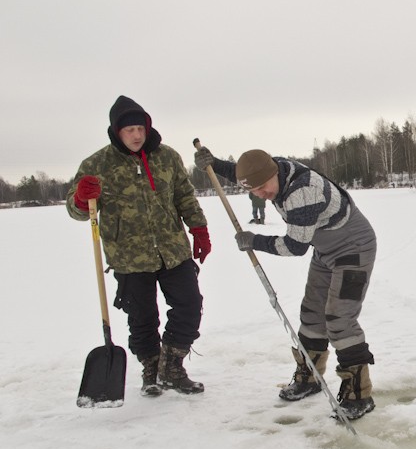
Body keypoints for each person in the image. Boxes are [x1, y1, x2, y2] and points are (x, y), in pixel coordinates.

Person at [195, 146, 378, 420]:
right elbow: (247, 174)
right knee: (312, 314)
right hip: (325, 250)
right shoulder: (271, 170)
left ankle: (359, 393)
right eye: (253, 190)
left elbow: (294, 247)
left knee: (339, 319)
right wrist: (214, 164)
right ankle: (310, 377)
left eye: (263, 188)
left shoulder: (301, 192)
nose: (260, 194)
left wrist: (254, 240)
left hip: (353, 249)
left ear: (273, 174)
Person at [67, 95, 211, 397]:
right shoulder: (97, 165)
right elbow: (77, 210)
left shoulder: (167, 157)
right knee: (143, 319)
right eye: (128, 129)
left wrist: (198, 229)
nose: (135, 135)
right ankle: (151, 369)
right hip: (129, 257)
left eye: (140, 128)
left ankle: (172, 366)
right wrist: (82, 197)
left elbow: (185, 195)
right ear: (117, 132)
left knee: (190, 305)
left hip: (172, 250)